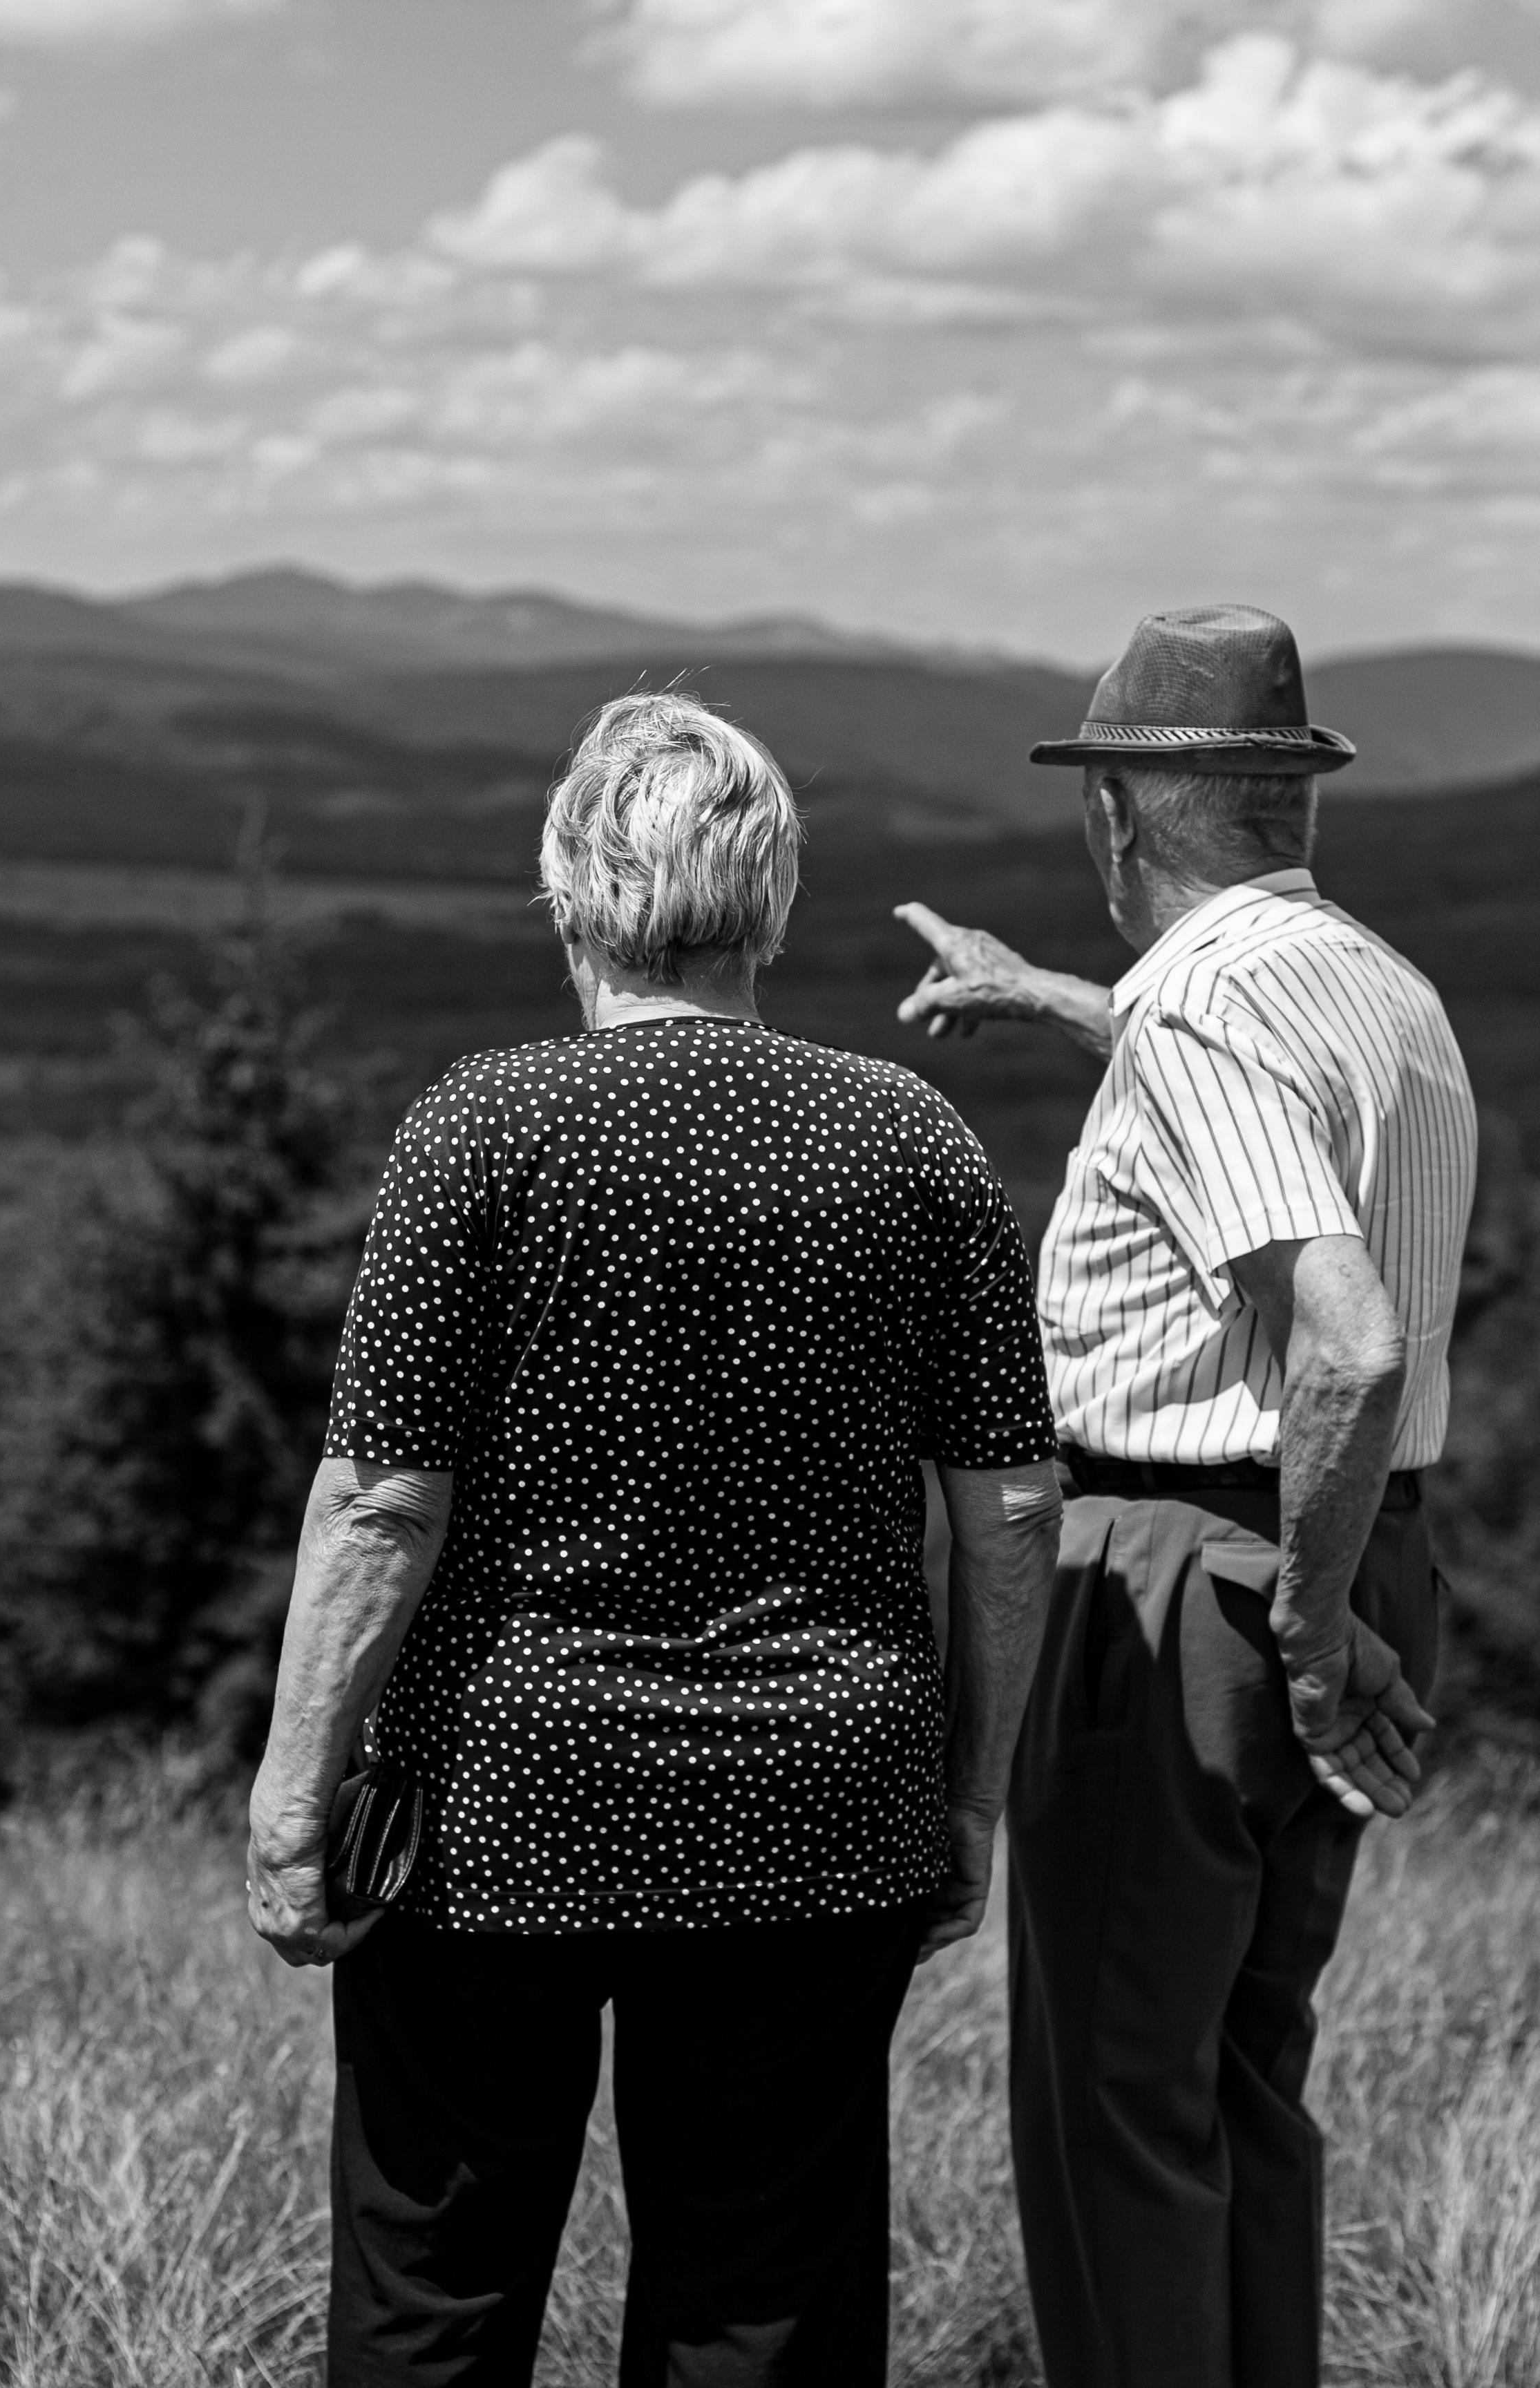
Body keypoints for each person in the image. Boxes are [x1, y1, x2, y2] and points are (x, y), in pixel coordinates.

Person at [247, 690, 1063, 2388]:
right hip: (818, 1804)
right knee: (758, 2305)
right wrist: (968, 1795)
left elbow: (385, 1499)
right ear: (770, 899)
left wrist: (289, 1796)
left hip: (499, 1797)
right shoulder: (911, 1138)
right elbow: (1010, 1505)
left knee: (436, 2288)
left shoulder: (483, 1128)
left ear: (567, 889)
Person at [895, 605, 1476, 2388]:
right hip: (1361, 1546)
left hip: (1188, 1578)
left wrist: (1291, 1630)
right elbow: (1244, 1109)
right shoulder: (1384, 994)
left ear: (1125, 815)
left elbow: (1350, 1344)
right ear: (1293, 802)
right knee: (1241, 2089)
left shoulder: (1204, 1013)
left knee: (1113, 2122)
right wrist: (1057, 997)